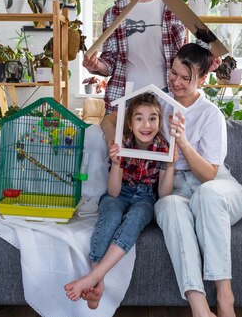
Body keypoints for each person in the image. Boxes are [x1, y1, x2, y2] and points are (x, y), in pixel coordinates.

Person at [155, 42, 242, 317]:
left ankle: (224, 297)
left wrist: (182, 141)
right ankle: (199, 308)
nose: (177, 83)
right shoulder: (159, 104)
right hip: (176, 186)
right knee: (169, 206)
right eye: (173, 73)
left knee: (207, 196)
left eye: (186, 78)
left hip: (217, 186)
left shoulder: (210, 114)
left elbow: (209, 174)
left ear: (203, 79)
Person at [64, 92, 176, 309]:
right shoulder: (122, 143)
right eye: (139, 118)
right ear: (130, 123)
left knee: (135, 219)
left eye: (153, 118)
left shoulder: (163, 146)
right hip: (120, 191)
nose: (146, 124)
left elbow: (163, 194)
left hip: (145, 196)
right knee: (112, 214)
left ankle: (94, 277)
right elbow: (113, 193)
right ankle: (97, 280)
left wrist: (170, 166)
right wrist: (116, 164)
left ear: (159, 121)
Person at [82, 0, 187, 144]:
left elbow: (184, 57)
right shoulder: (114, 13)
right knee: (120, 157)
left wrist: (208, 62)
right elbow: (109, 62)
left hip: (165, 96)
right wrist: (97, 66)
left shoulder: (173, 9)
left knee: (164, 157)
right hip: (125, 96)